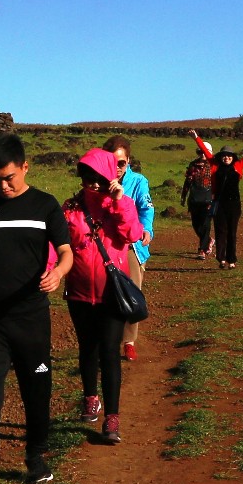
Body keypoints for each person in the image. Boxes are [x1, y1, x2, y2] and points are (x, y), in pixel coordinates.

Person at [0, 134, 75, 484]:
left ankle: (36, 458)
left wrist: (58, 273)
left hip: (31, 319)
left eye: (9, 177)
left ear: (25, 167)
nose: (3, 185)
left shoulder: (45, 205)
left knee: (36, 391)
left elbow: (66, 252)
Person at [63, 148, 145, 446]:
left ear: (110, 176)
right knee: (87, 348)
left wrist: (119, 201)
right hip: (80, 293)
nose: (93, 184)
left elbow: (133, 234)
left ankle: (112, 417)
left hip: (112, 294)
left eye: (98, 178)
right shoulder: (70, 207)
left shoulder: (122, 204)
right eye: (87, 177)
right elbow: (59, 245)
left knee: (110, 351)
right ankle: (90, 397)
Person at [101, 137, 154, 362]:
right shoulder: (98, 181)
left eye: (121, 163)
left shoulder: (138, 181)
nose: (117, 168)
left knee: (131, 290)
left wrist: (147, 229)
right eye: (113, 162)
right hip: (104, 244)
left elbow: (146, 207)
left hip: (130, 243)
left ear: (128, 161)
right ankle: (106, 339)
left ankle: (129, 341)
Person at [191, 128, 243, 269]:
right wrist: (196, 137)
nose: (226, 158)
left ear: (232, 157)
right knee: (220, 231)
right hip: (219, 204)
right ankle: (221, 259)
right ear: (220, 157)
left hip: (234, 205)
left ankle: (232, 260)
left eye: (229, 156)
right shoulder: (215, 165)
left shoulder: (238, 166)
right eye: (224, 156)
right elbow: (205, 150)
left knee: (232, 232)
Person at [179, 155, 215, 259]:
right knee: (196, 224)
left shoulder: (213, 165)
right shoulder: (193, 165)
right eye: (200, 152)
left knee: (205, 224)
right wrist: (183, 197)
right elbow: (187, 182)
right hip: (194, 199)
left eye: (204, 152)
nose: (202, 154)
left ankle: (202, 249)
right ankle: (208, 240)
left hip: (208, 200)